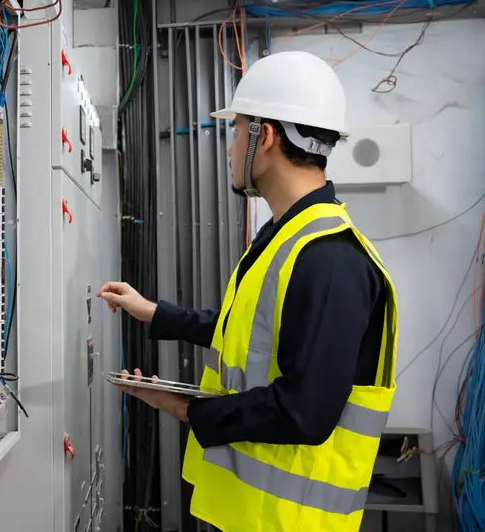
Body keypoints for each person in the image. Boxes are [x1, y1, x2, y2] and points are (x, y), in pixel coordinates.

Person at [98, 51, 398, 532]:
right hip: (248, 515)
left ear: (267, 137)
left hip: (287, 522)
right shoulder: (285, 237)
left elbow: (304, 413)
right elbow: (250, 330)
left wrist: (186, 408)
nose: (232, 148)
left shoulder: (330, 258)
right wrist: (155, 314)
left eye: (236, 131)